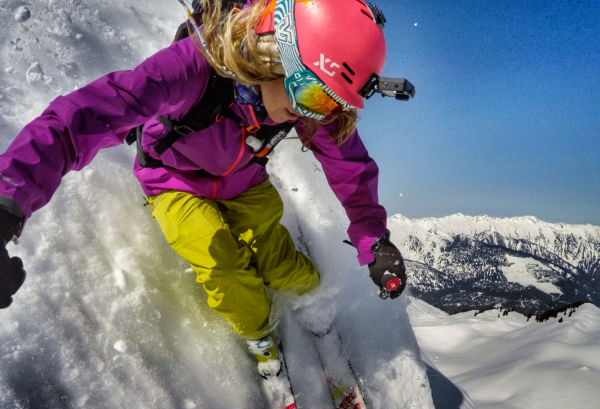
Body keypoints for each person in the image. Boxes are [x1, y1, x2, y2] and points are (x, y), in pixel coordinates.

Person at [0, 0, 407, 376]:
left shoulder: (307, 101)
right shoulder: (189, 70)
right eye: (315, 95)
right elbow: (76, 122)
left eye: (333, 104)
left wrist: (374, 238)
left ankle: (311, 304)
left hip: (243, 180)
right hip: (173, 183)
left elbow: (349, 166)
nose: (315, 115)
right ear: (274, 54)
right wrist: (5, 209)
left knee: (284, 263)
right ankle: (259, 331)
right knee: (223, 265)